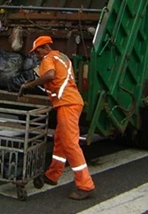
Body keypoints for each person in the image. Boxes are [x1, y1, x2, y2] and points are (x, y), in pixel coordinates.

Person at [19, 36, 95, 201]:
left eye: (38, 51)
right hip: (71, 102)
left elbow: (50, 75)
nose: (37, 55)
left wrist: (29, 85)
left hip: (67, 104)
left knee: (70, 144)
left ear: (46, 47)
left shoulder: (48, 58)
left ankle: (85, 185)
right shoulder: (63, 57)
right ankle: (52, 175)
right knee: (60, 140)